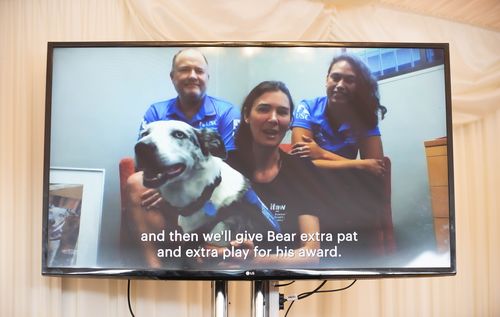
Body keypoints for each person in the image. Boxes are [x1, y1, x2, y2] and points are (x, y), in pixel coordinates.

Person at [124, 48, 240, 268]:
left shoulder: (226, 112)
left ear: (207, 77)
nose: (193, 75)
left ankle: (203, 257)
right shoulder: (156, 112)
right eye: (184, 70)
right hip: (169, 187)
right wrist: (163, 187)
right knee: (134, 183)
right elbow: (143, 164)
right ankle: (154, 269)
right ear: (173, 77)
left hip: (211, 192)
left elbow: (231, 167)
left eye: (199, 70)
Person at [226, 81, 326, 267]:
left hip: (284, 277)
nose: (273, 119)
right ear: (247, 115)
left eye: (282, 112)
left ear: (289, 122)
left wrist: (256, 261)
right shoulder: (225, 167)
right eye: (264, 109)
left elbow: (312, 253)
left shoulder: (303, 170)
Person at [290, 54, 387, 176]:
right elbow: (300, 164)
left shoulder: (364, 115)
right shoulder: (306, 108)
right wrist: (360, 164)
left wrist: (321, 153)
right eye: (335, 78)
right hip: (311, 186)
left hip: (347, 186)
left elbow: (376, 169)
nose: (340, 85)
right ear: (327, 80)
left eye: (350, 80)